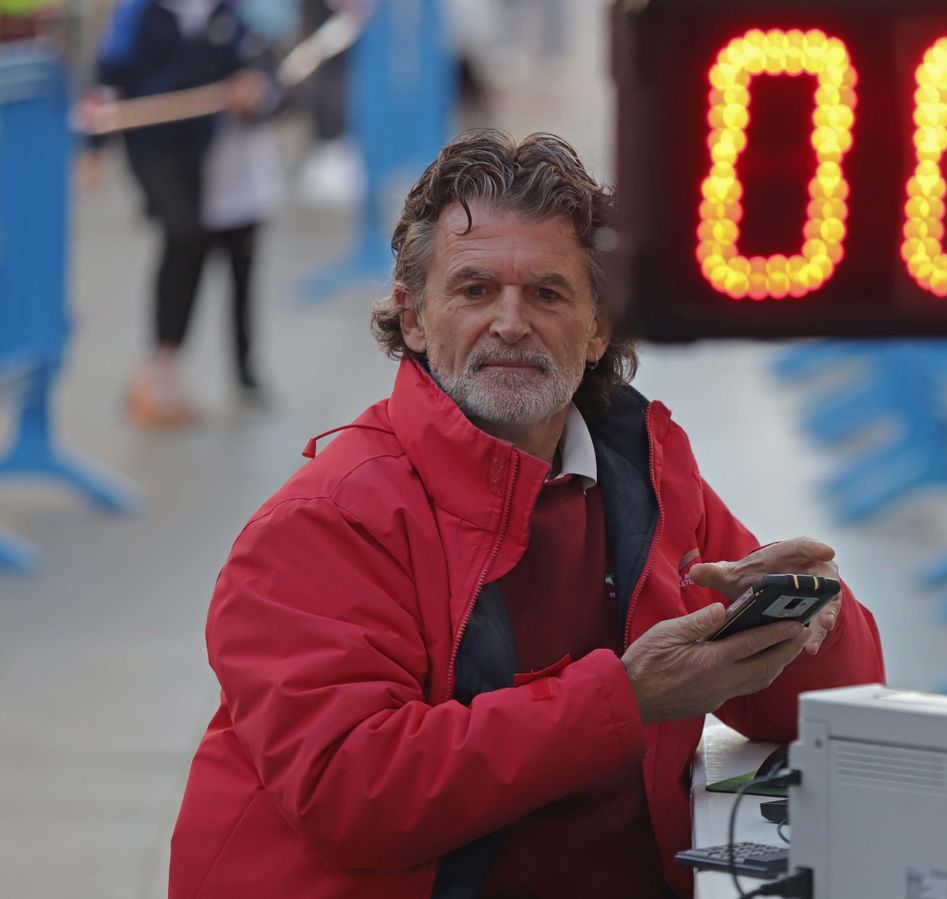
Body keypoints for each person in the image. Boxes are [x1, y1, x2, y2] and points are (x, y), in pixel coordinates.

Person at [166, 130, 886, 898]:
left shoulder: (648, 474)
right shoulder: (322, 524)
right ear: (413, 319)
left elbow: (832, 710)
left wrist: (813, 620)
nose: (510, 323)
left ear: (598, 329)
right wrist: (622, 698)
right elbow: (352, 794)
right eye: (475, 290)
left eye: (547, 293)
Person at [90, 0, 279, 425]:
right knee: (185, 233)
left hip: (202, 153)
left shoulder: (224, 14)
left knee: (196, 244)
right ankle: (156, 364)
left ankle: (167, 361)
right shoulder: (138, 12)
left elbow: (260, 67)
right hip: (153, 147)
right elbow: (106, 78)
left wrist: (253, 89)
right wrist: (92, 150)